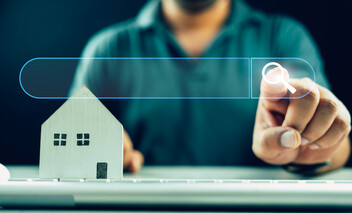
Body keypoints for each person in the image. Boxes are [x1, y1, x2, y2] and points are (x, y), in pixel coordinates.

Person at [70, 0, 351, 175]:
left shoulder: (283, 37)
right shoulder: (108, 50)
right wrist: (95, 153)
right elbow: (69, 142)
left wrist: (313, 146)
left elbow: (335, 137)